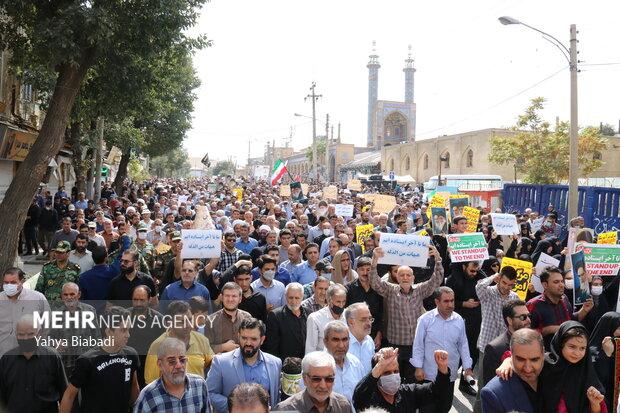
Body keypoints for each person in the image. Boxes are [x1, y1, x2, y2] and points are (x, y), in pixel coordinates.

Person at [369, 245, 444, 379]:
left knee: (412, 379)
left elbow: (436, 280)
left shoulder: (420, 290)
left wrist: (438, 259)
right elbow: (374, 282)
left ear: (413, 277)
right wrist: (374, 261)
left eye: (408, 275)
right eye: (401, 275)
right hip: (395, 345)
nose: (405, 278)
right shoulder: (390, 290)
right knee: (395, 378)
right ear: (396, 277)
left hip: (415, 345)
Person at [59, 306, 140, 413]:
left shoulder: (131, 355)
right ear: (109, 331)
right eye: (123, 330)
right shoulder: (88, 360)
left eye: (129, 330)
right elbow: (69, 395)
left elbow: (134, 386)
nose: (128, 335)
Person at [411, 286, 472, 413]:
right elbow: (418, 345)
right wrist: (418, 367)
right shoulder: (425, 320)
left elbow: (463, 345)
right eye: (446, 301)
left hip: (449, 375)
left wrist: (467, 367)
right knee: (427, 408)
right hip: (429, 374)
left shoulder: (459, 320)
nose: (450, 304)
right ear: (437, 302)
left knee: (445, 407)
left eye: (452, 300)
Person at [207, 318, 282, 413]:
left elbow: (276, 397)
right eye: (244, 338)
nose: (248, 343)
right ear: (238, 336)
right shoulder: (221, 362)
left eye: (253, 339)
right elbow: (210, 393)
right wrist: (236, 408)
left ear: (262, 340)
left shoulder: (275, 363)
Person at [0, 315, 67, 413]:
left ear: (39, 334)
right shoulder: (6, 360)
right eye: (21, 334)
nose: (25, 338)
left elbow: (64, 393)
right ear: (16, 335)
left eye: (30, 334)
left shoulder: (52, 357)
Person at [353, 347, 451, 413]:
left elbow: (435, 391)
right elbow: (358, 398)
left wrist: (442, 369)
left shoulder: (407, 392)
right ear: (377, 376)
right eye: (386, 373)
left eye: (396, 371)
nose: (393, 376)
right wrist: (380, 366)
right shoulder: (370, 399)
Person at [542, 321, 607, 413]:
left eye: (582, 348)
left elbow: (598, 410)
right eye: (572, 347)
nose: (577, 353)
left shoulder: (586, 371)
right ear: (561, 344)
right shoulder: (546, 366)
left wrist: (594, 403)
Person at [134, 337, 211, 412]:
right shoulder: (148, 396)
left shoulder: (200, 385)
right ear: (160, 365)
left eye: (182, 360)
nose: (179, 366)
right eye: (172, 362)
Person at [145, 300, 214, 383]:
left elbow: (212, 365)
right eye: (182, 322)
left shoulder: (202, 340)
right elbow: (151, 381)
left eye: (190, 319)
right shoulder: (157, 346)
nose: (188, 325)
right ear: (170, 322)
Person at [474, 265, 519, 394]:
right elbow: (479, 286)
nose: (506, 287)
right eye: (504, 282)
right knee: (483, 386)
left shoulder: (515, 298)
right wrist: (493, 276)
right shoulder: (488, 293)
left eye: (511, 284)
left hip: (506, 348)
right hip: (487, 345)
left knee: (502, 385)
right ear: (499, 279)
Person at [527, 266, 593, 349]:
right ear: (545, 285)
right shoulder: (534, 305)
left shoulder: (564, 299)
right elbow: (525, 334)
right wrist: (549, 329)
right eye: (556, 282)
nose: (561, 285)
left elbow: (571, 320)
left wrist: (584, 310)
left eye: (562, 281)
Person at [480, 328, 544, 413]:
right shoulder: (495, 393)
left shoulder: (553, 371)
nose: (528, 368)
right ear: (511, 355)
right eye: (520, 359)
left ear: (543, 354)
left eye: (534, 360)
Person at [445, 260, 484, 396]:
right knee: (454, 355)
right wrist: (463, 303)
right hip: (456, 322)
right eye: (471, 270)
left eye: (476, 270)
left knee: (471, 354)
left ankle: (464, 382)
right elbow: (445, 302)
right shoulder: (452, 280)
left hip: (474, 322)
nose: (474, 273)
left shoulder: (480, 277)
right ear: (463, 266)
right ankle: (446, 382)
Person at [273, 351, 352, 412]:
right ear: (305, 379)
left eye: (329, 379)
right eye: (316, 379)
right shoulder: (286, 409)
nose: (323, 386)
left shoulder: (343, 406)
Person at [0, 267, 50, 356]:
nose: (9, 285)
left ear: (22, 281)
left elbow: (47, 325)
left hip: (31, 353)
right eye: (6, 282)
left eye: (13, 282)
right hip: (3, 353)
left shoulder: (37, 298)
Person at [481, 299, 531, 386]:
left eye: (529, 316)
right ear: (509, 320)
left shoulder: (535, 341)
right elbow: (490, 386)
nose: (528, 320)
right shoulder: (495, 348)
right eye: (523, 317)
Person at [128, 285, 165, 388]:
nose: (138, 303)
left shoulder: (159, 320)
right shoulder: (123, 316)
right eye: (135, 300)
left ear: (149, 300)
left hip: (149, 368)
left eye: (142, 300)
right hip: (127, 367)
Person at [322, 321, 366, 403]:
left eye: (345, 339)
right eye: (335, 340)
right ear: (325, 342)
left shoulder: (355, 363)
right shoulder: (315, 367)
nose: (341, 345)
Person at [264, 282, 308, 360]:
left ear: (302, 297)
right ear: (285, 297)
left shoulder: (309, 314)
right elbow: (271, 346)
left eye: (297, 298)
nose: (293, 301)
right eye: (291, 297)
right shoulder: (276, 315)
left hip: (306, 363)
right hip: (284, 365)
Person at [346, 257, 383, 348]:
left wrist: (379, 335)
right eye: (362, 270)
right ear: (357, 271)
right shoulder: (349, 289)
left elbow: (381, 314)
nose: (365, 273)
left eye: (368, 270)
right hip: (354, 336)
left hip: (374, 335)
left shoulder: (378, 288)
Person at [206, 282, 253, 354]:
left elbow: (253, 343)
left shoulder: (247, 317)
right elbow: (205, 348)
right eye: (227, 296)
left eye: (234, 296)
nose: (230, 299)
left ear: (240, 299)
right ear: (222, 297)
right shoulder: (210, 320)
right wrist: (223, 347)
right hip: (220, 363)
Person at [589, 312, 620, 411]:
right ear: (608, 327)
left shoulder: (617, 347)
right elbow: (600, 380)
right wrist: (606, 355)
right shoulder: (592, 354)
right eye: (619, 328)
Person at [305, 284, 348, 353]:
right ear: (329, 301)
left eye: (344, 301)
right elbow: (310, 349)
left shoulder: (349, 316)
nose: (341, 305)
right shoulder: (315, 318)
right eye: (338, 302)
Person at [344, 302, 376, 374]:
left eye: (370, 319)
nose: (368, 323)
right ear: (351, 322)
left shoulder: (369, 341)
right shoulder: (340, 343)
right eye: (364, 319)